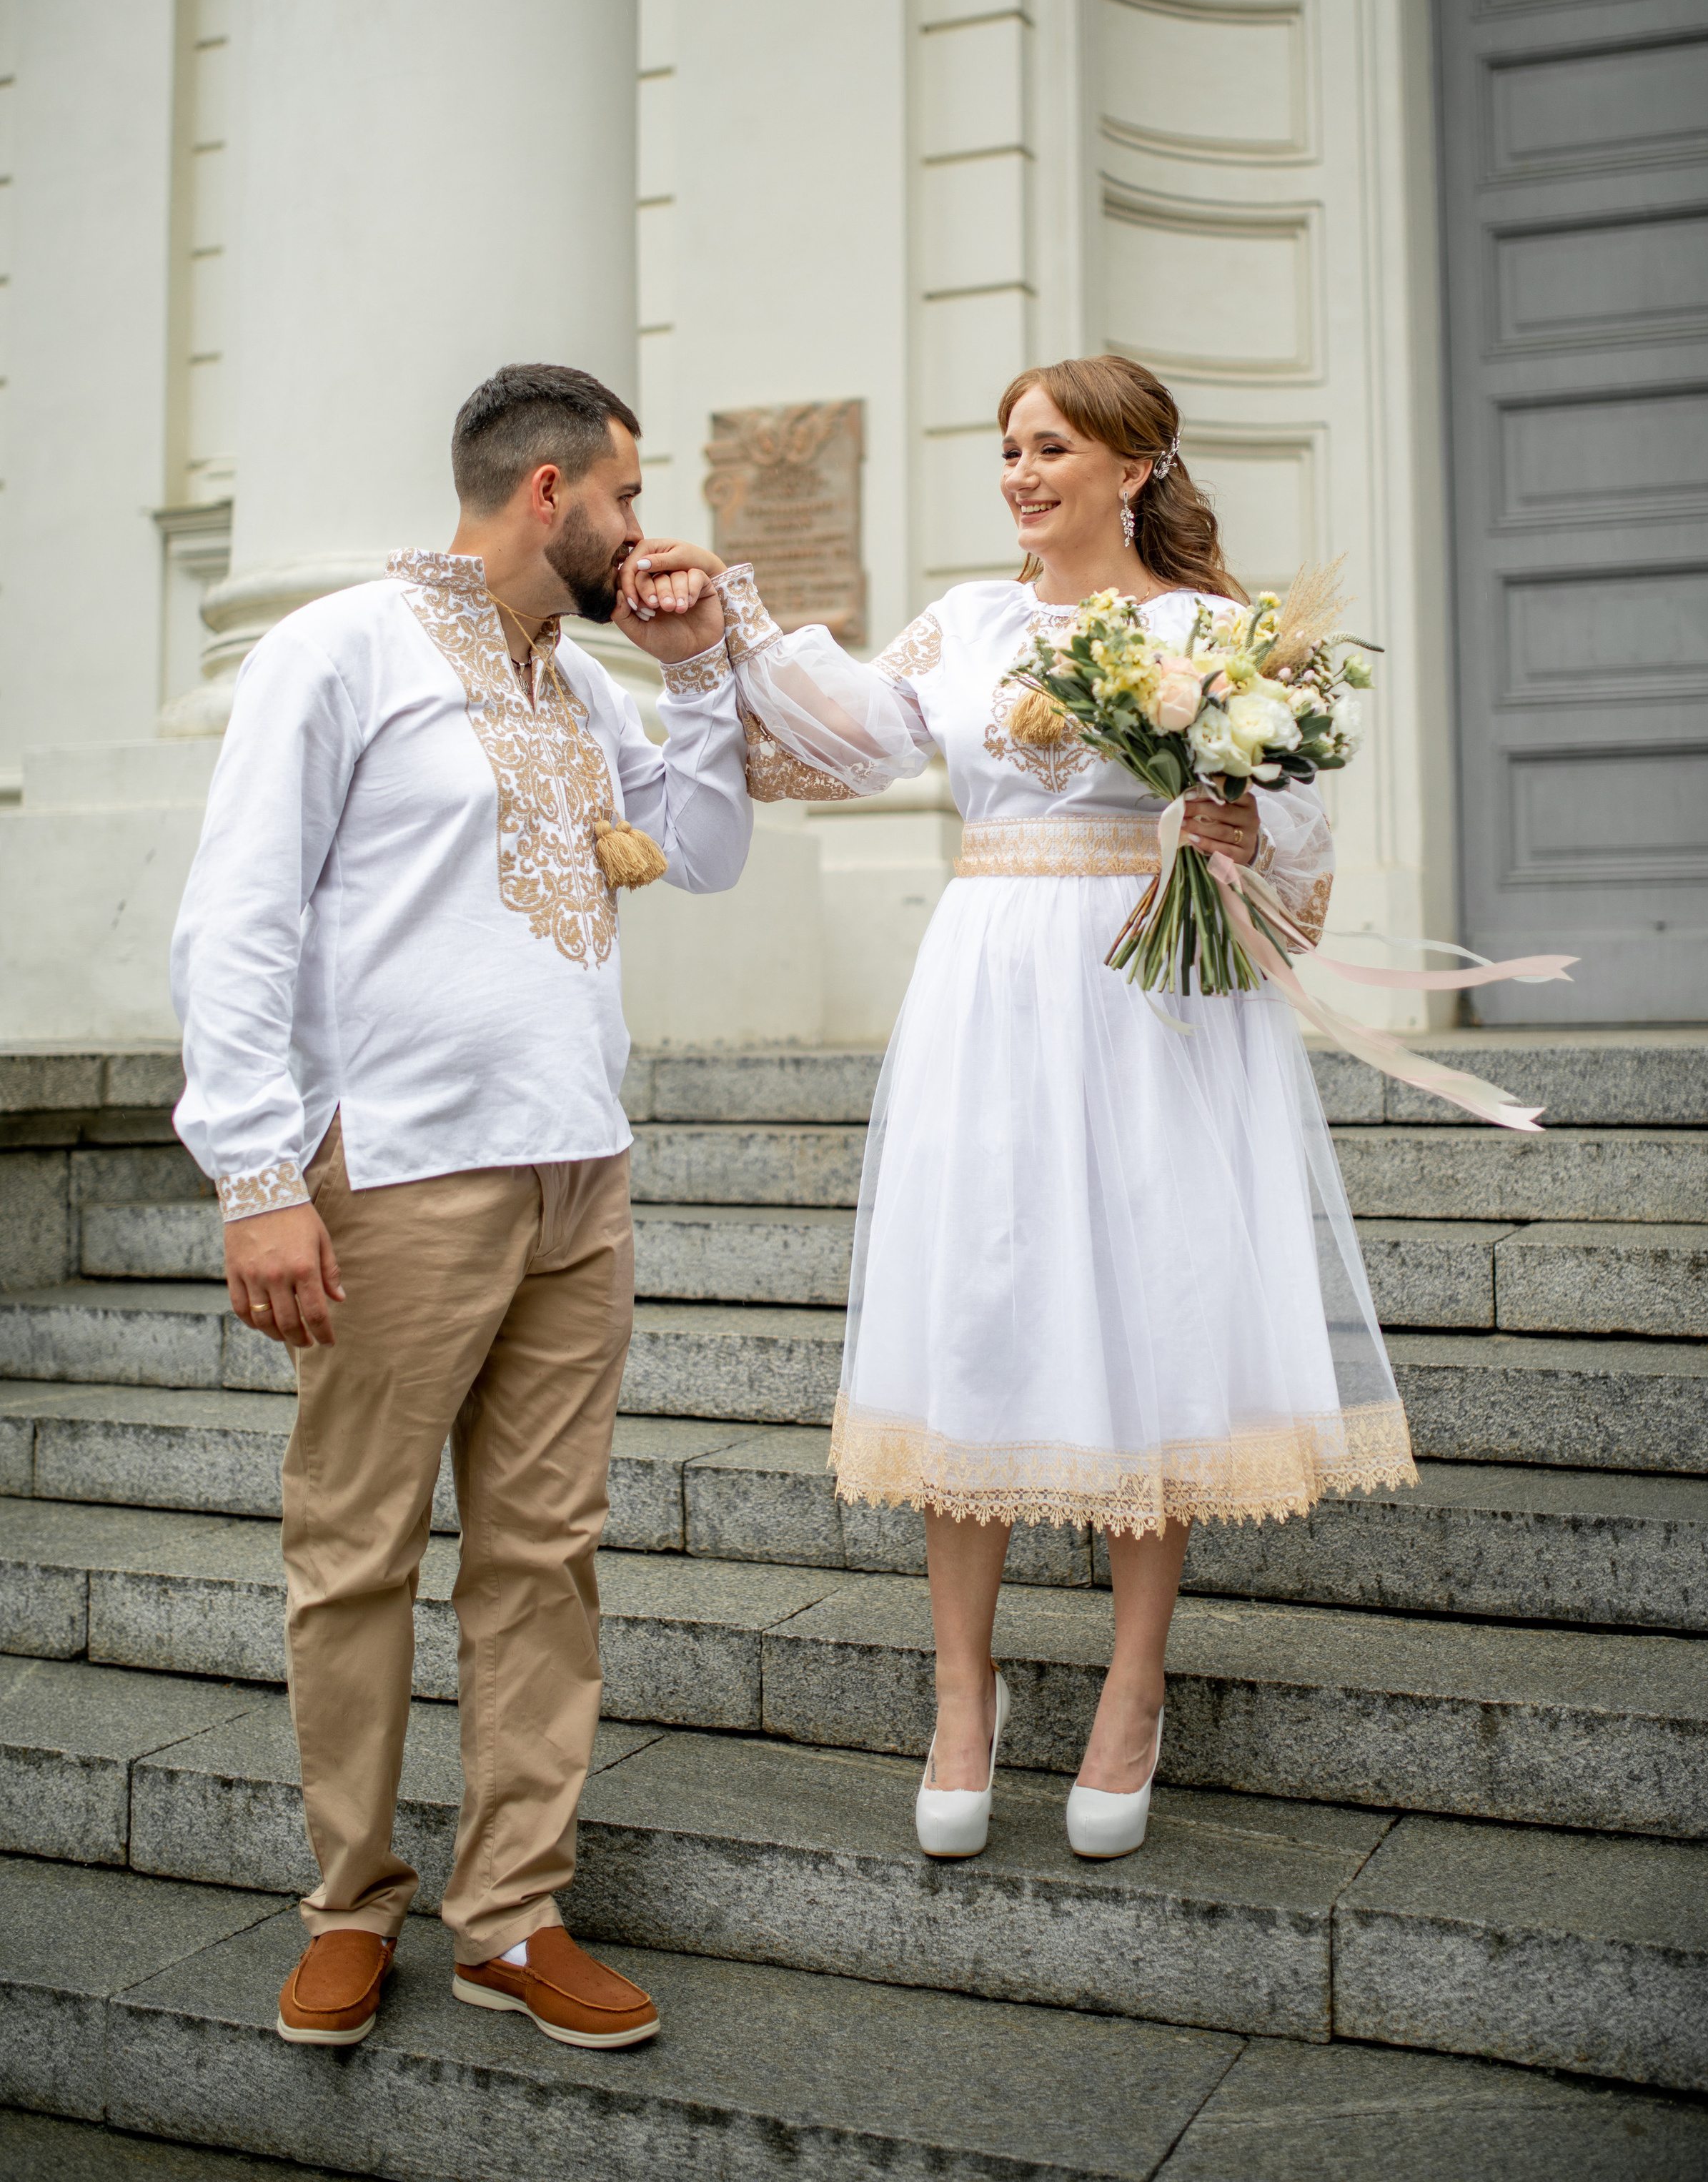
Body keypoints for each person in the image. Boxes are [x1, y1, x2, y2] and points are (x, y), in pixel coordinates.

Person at [624, 352, 1416, 1862]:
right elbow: (851, 731)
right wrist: (730, 616)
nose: (1019, 473)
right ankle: (961, 1694)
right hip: (988, 992)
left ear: (1133, 467)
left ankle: (1131, 1693)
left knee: (1150, 1310)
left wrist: (1235, 826)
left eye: (1050, 447)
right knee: (975, 1309)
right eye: (1007, 449)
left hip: (1152, 1009)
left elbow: (1296, 894)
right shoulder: (972, 623)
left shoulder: (1224, 638)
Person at [170, 363, 749, 2049]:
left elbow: (700, 853)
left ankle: (510, 1911)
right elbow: (241, 915)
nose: (647, 529)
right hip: (401, 1169)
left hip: (580, 1165)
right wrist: (259, 1177)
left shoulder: (581, 687)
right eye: (630, 497)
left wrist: (698, 667)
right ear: (551, 492)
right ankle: (350, 1904)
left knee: (543, 1556)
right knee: (354, 1552)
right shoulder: (339, 648)